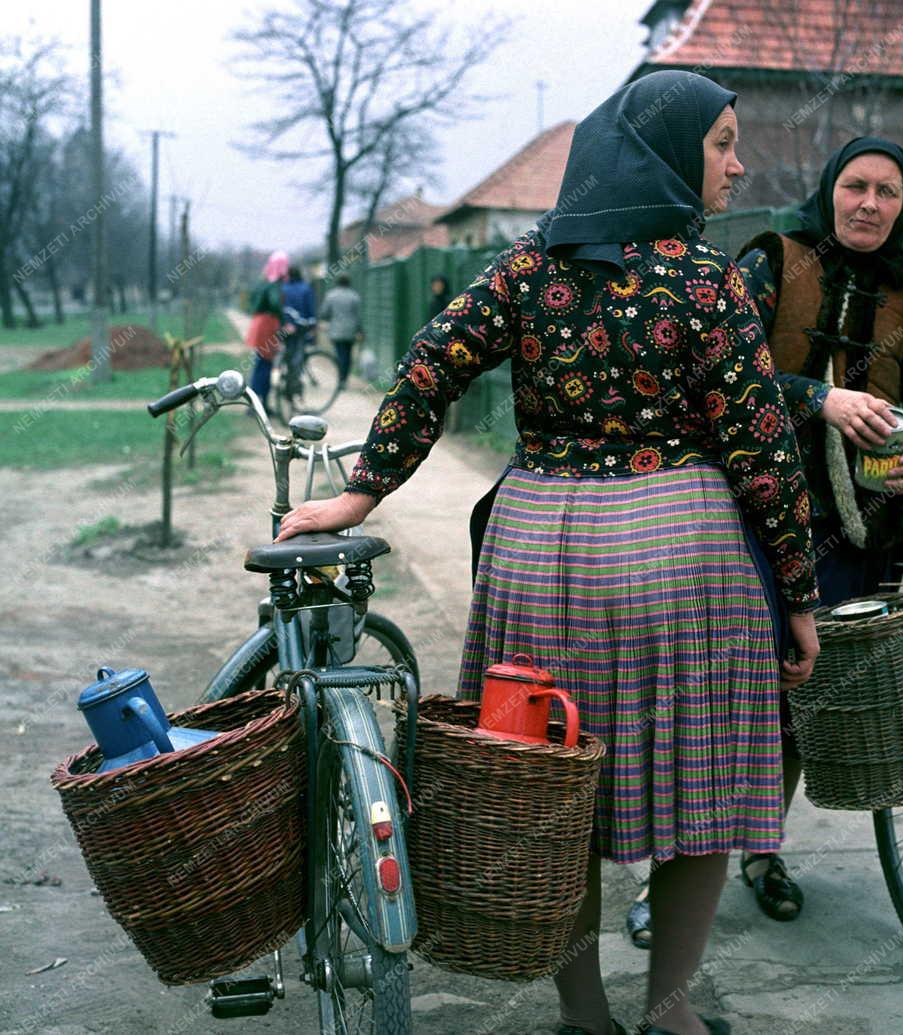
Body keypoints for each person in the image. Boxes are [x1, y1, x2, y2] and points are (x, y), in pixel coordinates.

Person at [276, 70, 822, 1035]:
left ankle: (586, 1015)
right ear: (668, 154)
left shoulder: (530, 267)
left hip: (542, 557)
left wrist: (363, 488)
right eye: (723, 143)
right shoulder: (708, 282)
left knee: (551, 785)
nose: (739, 165)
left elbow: (430, 360)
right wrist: (800, 595)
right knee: (699, 780)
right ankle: (673, 1011)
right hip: (680, 558)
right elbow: (761, 448)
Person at [729, 138, 903, 922]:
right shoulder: (773, 263)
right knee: (720, 699)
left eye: (889, 192)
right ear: (831, 190)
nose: (871, 204)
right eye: (857, 186)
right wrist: (818, 399)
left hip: (850, 536)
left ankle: (762, 851)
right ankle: (662, 880)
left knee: (800, 697)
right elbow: (719, 370)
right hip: (744, 523)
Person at [246, 250, 288, 410]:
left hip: (259, 323)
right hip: (267, 325)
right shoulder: (273, 284)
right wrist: (284, 322)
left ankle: (260, 404)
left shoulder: (262, 282)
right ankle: (256, 405)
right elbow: (276, 303)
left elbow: (252, 301)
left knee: (262, 365)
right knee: (263, 366)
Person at [318, 273, 362, 389]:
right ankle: (344, 378)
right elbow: (358, 316)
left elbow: (324, 313)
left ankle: (340, 378)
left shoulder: (330, 295)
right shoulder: (354, 296)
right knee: (347, 355)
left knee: (339, 354)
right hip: (350, 331)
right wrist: (360, 330)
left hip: (336, 330)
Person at [281, 265, 318, 397]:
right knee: (298, 355)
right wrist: (313, 327)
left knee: (288, 352)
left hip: (285, 327)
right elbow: (310, 310)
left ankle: (284, 379)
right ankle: (293, 385)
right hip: (300, 328)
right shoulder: (306, 288)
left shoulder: (283, 288)